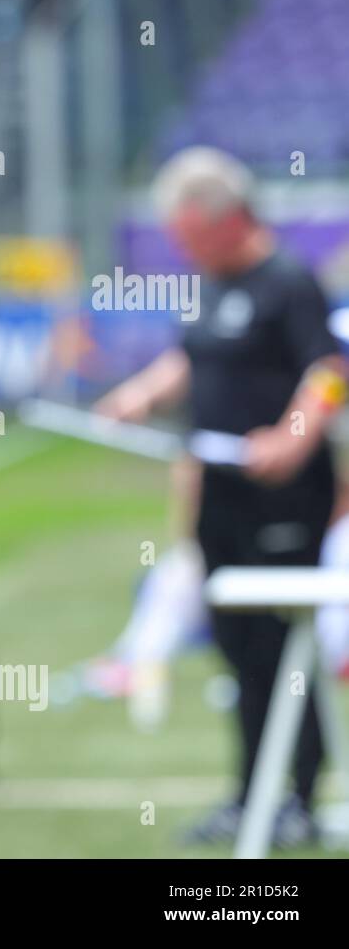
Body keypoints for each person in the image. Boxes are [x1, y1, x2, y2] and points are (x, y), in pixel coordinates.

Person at [98, 146, 347, 847]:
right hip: (220, 493)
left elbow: (327, 371)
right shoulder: (210, 284)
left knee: (280, 645)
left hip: (284, 497)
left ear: (227, 218)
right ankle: (253, 793)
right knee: (238, 650)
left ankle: (292, 792)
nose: (183, 249)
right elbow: (194, 356)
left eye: (190, 234)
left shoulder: (288, 283)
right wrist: (143, 392)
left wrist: (293, 437)